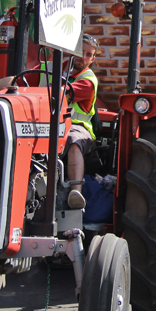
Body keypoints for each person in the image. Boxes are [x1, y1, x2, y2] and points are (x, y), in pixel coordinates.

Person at [51, 35, 99, 209]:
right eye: (81, 52)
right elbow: (15, 81)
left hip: (78, 128)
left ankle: (75, 191)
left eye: (88, 54)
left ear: (92, 59)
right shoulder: (47, 68)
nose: (83, 57)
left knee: (73, 140)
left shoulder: (88, 80)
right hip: (47, 125)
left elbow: (61, 94)